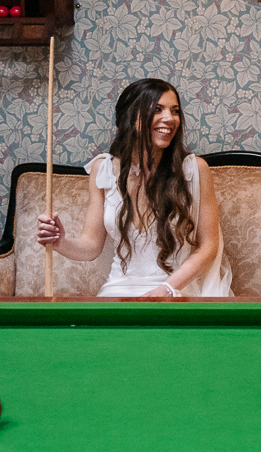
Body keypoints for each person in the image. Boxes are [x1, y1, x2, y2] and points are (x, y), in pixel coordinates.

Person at [35, 78, 232, 298]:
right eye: (158, 109)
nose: (169, 118)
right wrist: (59, 242)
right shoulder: (103, 169)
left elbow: (209, 247)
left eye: (174, 111)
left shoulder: (195, 169)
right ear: (131, 116)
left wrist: (167, 289)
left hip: (176, 292)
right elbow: (90, 246)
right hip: (117, 292)